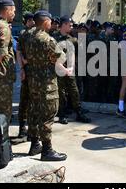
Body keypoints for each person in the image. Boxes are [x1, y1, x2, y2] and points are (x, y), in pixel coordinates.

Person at [22, 10, 67, 161]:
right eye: (50, 21)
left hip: (33, 82)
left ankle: (34, 144)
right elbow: (60, 59)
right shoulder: (48, 40)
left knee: (34, 112)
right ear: (45, 22)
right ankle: (47, 150)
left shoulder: (28, 36)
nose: (51, 23)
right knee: (47, 115)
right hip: (47, 84)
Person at [55, 15, 91, 125]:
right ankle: (62, 114)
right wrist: (63, 68)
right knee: (61, 93)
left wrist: (71, 67)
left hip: (70, 70)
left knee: (74, 91)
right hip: (58, 70)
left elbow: (73, 54)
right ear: (64, 25)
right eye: (70, 25)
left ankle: (79, 113)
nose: (71, 27)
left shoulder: (72, 39)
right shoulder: (54, 39)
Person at [16, 12, 35, 140]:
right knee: (24, 100)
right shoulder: (23, 34)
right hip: (28, 71)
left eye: (33, 20)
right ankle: (22, 129)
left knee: (35, 102)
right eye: (30, 20)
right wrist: (22, 67)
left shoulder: (40, 33)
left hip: (38, 73)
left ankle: (33, 131)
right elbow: (18, 52)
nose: (32, 22)